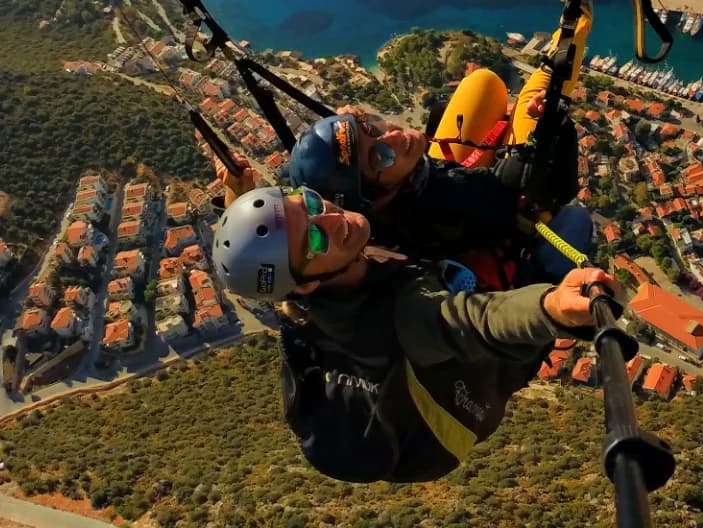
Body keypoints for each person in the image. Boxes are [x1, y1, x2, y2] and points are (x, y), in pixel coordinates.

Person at [210, 175, 613, 483]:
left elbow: (270, 265)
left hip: (433, 300)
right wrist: (553, 306)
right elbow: (476, 319)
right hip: (489, 364)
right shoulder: (404, 318)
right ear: (307, 283)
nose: (331, 217)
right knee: (574, 219)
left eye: (311, 202)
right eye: (314, 237)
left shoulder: (299, 300)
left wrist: (240, 198)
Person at [288, 90, 592, 284]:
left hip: (454, 224)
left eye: (370, 127)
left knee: (481, 84)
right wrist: (555, 129)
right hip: (503, 246)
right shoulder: (449, 200)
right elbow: (535, 191)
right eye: (380, 156)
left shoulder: (371, 222)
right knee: (576, 218)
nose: (392, 136)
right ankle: (552, 278)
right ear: (378, 198)